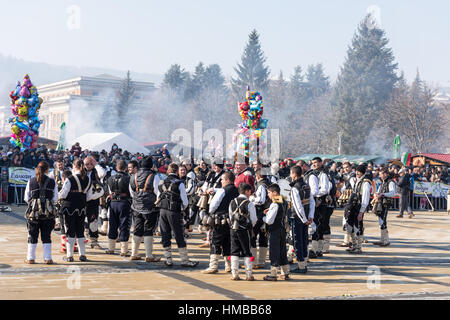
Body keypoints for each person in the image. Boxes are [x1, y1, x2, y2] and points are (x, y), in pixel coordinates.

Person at [157, 163, 198, 267]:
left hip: (162, 211)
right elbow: (185, 202)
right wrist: (182, 211)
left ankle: (168, 259)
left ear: (168, 171)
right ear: (176, 172)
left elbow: (158, 197)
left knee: (165, 234)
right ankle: (184, 260)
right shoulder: (179, 183)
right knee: (179, 234)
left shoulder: (161, 182)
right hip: (174, 212)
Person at [201, 171, 238, 274]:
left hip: (219, 219)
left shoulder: (223, 191)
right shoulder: (237, 190)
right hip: (231, 220)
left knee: (215, 241)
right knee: (228, 242)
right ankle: (229, 266)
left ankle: (213, 266)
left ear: (227, 180)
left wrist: (210, 213)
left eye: (222, 179)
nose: (221, 181)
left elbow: (213, 205)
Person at [24, 161, 58, 264]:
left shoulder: (31, 181)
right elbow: (55, 198)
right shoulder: (52, 182)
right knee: (46, 235)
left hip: (33, 213)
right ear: (47, 169)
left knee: (32, 234)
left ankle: (30, 258)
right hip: (48, 213)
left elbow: (26, 198)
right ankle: (47, 258)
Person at [129, 157, 161, 261]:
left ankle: (134, 254)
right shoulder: (154, 176)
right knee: (148, 230)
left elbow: (132, 192)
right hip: (150, 207)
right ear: (151, 165)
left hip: (136, 207)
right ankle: (149, 255)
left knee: (137, 229)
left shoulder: (134, 175)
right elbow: (158, 192)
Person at [58, 159, 91, 262]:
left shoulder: (70, 179)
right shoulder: (88, 179)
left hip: (69, 207)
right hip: (82, 206)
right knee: (80, 231)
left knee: (70, 231)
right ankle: (83, 255)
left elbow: (63, 194)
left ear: (74, 166)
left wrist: (56, 196)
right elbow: (89, 196)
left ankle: (69, 256)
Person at [228, 183, 258, 281]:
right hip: (244, 230)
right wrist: (250, 226)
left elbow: (230, 216)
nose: (250, 193)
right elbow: (254, 219)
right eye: (250, 191)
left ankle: (234, 274)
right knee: (246, 251)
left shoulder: (232, 202)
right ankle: (249, 275)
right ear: (246, 191)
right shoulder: (249, 203)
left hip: (233, 229)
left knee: (234, 250)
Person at [262, 184, 290, 281]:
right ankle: (285, 272)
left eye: (269, 192)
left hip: (274, 230)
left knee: (274, 251)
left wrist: (263, 217)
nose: (268, 195)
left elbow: (270, 220)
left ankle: (273, 274)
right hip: (282, 229)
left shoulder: (274, 204)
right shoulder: (284, 201)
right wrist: (269, 211)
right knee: (282, 251)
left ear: (275, 193)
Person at [289, 166, 315, 273]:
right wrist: (310, 216)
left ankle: (301, 266)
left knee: (298, 241)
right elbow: (312, 202)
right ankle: (304, 263)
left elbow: (297, 206)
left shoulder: (295, 187)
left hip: (298, 218)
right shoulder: (306, 185)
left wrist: (304, 219)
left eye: (291, 174)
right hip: (306, 218)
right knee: (304, 240)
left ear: (294, 174)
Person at [105, 160, 132, 256]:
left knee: (112, 225)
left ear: (117, 168)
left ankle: (111, 248)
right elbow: (131, 193)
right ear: (125, 168)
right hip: (124, 203)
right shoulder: (128, 178)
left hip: (113, 203)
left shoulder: (110, 178)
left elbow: (109, 192)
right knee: (124, 225)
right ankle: (124, 250)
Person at [345, 164, 371, 254]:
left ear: (363, 172)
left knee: (358, 226)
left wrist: (361, 212)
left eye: (359, 171)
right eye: (356, 171)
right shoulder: (357, 181)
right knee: (350, 225)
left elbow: (365, 199)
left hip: (359, 208)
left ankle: (359, 247)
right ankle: (354, 245)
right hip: (353, 207)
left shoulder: (366, 183)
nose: (356, 173)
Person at [308, 157, 331, 258]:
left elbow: (325, 189)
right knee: (317, 224)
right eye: (313, 163)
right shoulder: (314, 173)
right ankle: (318, 249)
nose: (314, 164)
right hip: (317, 200)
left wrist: (315, 195)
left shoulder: (323, 174)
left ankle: (316, 249)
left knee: (318, 224)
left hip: (321, 202)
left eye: (316, 162)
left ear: (321, 163)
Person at [249, 169, 271, 269]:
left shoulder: (261, 185)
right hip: (266, 213)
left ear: (257, 176)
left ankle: (254, 262)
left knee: (253, 236)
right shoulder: (269, 183)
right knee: (263, 237)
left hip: (260, 213)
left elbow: (261, 201)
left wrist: (252, 199)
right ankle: (261, 261)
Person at [83, 156, 106, 249]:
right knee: (82, 220)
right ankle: (83, 238)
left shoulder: (96, 171)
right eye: (86, 164)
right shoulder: (81, 171)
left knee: (93, 220)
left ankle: (94, 240)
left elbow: (103, 173)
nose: (88, 166)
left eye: (90, 164)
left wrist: (96, 164)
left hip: (93, 200)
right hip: (82, 200)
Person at [371, 168, 395, 246]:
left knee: (383, 221)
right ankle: (382, 239)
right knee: (381, 221)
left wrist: (383, 194)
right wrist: (376, 194)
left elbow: (392, 193)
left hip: (385, 204)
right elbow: (378, 191)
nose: (379, 175)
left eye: (381, 174)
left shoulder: (390, 182)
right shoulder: (383, 182)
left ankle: (386, 240)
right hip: (380, 204)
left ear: (385, 174)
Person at [337, 162, 356, 247]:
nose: (346, 169)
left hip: (350, 201)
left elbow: (354, 189)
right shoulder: (347, 176)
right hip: (347, 200)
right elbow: (344, 187)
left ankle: (348, 241)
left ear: (351, 167)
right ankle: (349, 240)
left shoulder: (352, 177)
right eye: (344, 168)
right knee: (346, 219)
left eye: (347, 167)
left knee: (347, 219)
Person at [49, 160, 65, 231]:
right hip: (57, 191)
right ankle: (58, 223)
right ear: (56, 165)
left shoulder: (67, 171)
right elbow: (49, 181)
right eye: (59, 165)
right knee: (56, 207)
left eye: (62, 164)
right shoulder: (53, 172)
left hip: (65, 191)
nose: (61, 166)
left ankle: (64, 222)